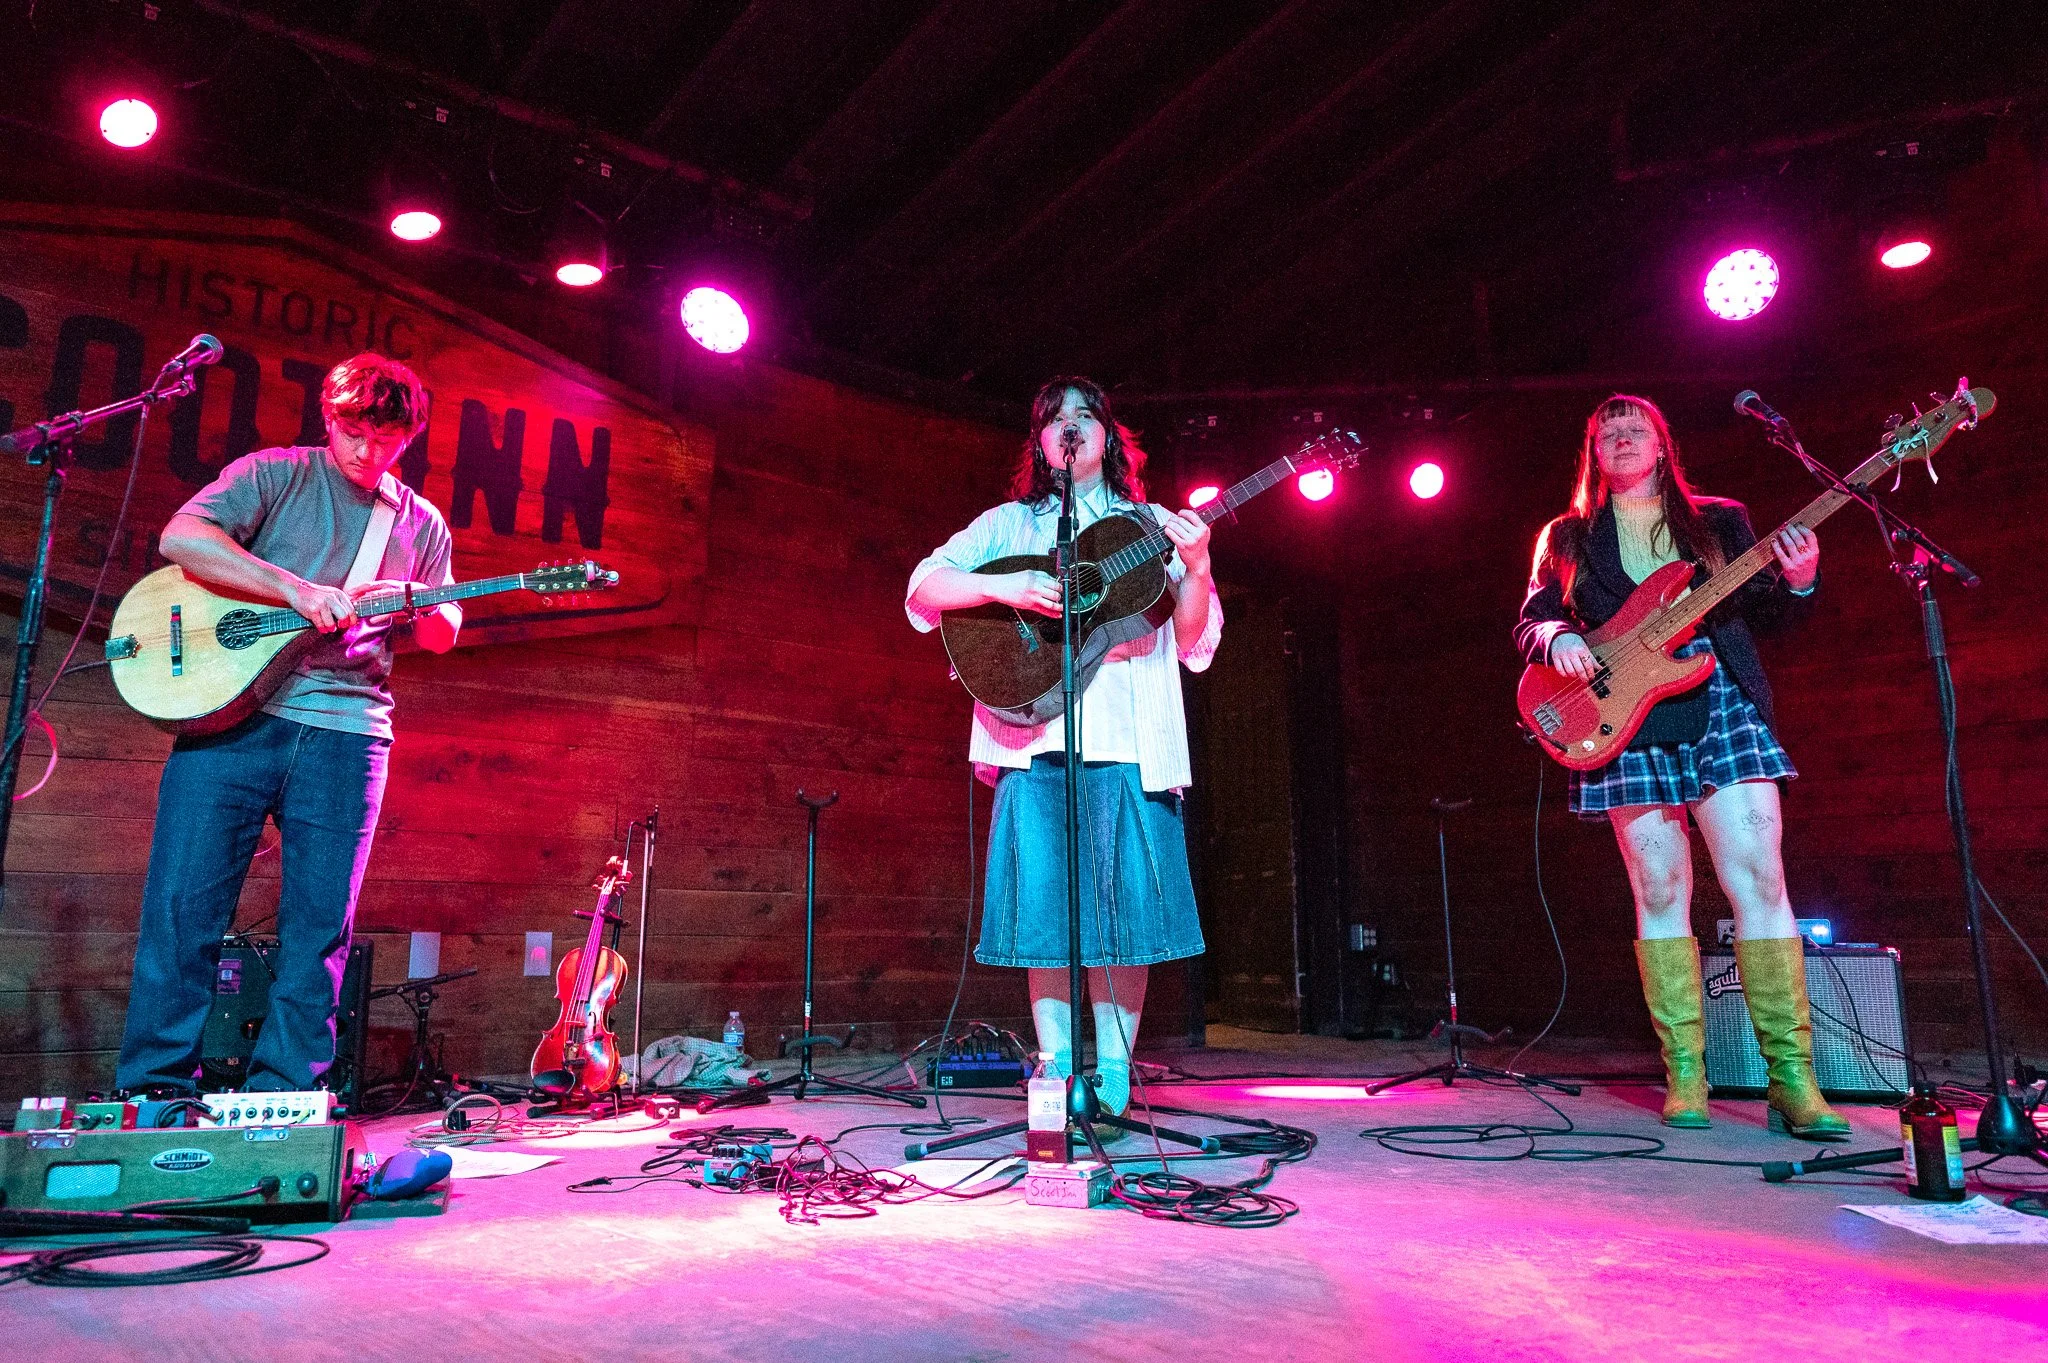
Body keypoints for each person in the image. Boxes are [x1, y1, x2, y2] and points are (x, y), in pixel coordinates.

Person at [116, 353, 460, 1097]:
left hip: (349, 729)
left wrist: (418, 602)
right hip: (233, 712)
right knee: (182, 910)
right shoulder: (276, 473)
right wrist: (296, 591)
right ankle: (154, 1089)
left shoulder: (419, 522)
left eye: (387, 439)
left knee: (320, 928)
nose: (368, 452)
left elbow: (445, 630)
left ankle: (286, 1097)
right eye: (354, 433)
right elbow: (183, 537)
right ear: (329, 419)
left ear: (409, 437)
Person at [1515, 394, 1850, 1140]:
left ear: (1663, 445)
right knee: (1661, 888)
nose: (1621, 439)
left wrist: (1801, 579)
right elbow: (1532, 617)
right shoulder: (1567, 535)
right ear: (1593, 452)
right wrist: (1557, 637)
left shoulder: (1720, 522)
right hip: (1628, 711)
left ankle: (1793, 1080)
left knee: (1759, 879)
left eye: (1635, 429)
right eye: (1607, 433)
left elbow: (1770, 615)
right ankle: (1686, 1075)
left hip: (1718, 696)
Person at [906, 377, 1222, 1119]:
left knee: (1123, 919)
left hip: (1130, 743)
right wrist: (1010, 587)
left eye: (1084, 416)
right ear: (1041, 442)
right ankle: (1053, 1075)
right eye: (1054, 418)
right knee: (1045, 915)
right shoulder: (1009, 524)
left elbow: (1192, 641)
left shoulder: (1151, 525)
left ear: (1108, 436)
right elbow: (923, 588)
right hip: (1034, 739)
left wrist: (1200, 568)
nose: (1069, 427)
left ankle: (1112, 1075)